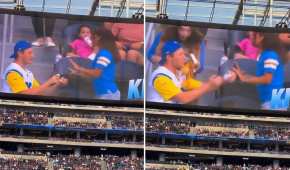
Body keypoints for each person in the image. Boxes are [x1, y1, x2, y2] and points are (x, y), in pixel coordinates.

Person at [147, 40, 223, 104]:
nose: (184, 57)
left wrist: (212, 84)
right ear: (169, 57)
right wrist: (209, 86)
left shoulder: (176, 72)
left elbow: (187, 83)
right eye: (180, 54)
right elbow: (182, 98)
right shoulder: (161, 77)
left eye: (184, 54)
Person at [232, 32, 287, 110]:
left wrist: (245, 79)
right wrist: (243, 76)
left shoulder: (270, 55)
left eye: (252, 35)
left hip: (275, 101)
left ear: (260, 37)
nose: (250, 36)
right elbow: (262, 78)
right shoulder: (266, 54)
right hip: (272, 99)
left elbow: (267, 79)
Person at [69, 28, 120, 100]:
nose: (90, 39)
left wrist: (80, 68)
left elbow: (97, 73)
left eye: (92, 37)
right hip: (102, 93)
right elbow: (94, 76)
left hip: (108, 93)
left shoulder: (105, 54)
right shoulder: (102, 53)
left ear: (98, 38)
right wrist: (78, 73)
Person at [2, 40, 68, 95]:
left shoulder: (28, 73)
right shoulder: (12, 72)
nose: (33, 56)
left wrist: (57, 84)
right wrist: (48, 82)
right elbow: (24, 94)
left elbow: (41, 92)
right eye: (29, 53)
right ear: (20, 53)